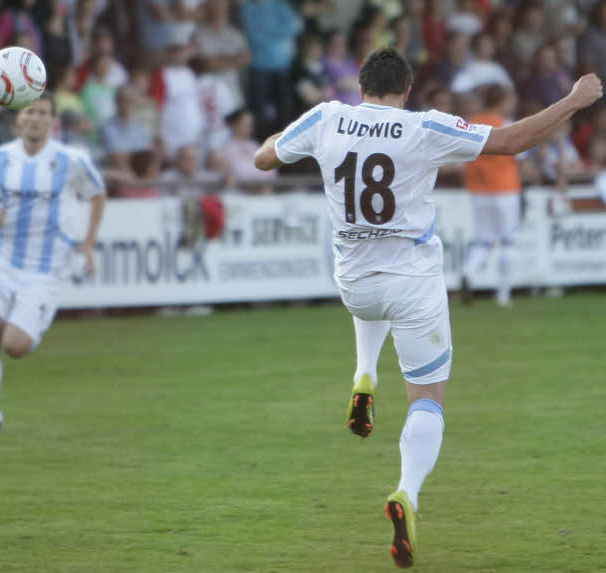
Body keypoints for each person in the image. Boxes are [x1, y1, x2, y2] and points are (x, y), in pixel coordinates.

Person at [253, 47, 602, 568]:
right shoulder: (423, 127)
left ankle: (364, 375)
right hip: (412, 282)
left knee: (366, 287)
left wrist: (277, 140)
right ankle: (406, 494)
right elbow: (509, 141)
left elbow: (264, 158)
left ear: (361, 87)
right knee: (428, 398)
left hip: (353, 283)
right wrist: (573, 101)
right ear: (408, 90)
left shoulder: (327, 116)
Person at [0, 94, 106, 432]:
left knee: (15, 346)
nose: (35, 118)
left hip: (44, 271)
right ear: (18, 120)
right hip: (0, 264)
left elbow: (97, 194)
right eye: (30, 112)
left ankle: (31, 324)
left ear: (52, 122)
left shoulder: (71, 159)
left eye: (43, 113)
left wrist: (87, 243)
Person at [460, 85, 522, 307]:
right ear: (502, 102)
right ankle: (504, 294)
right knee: (507, 240)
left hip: (478, 189)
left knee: (483, 239)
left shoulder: (471, 124)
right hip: (505, 189)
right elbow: (521, 154)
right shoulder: (506, 125)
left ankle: (468, 272)